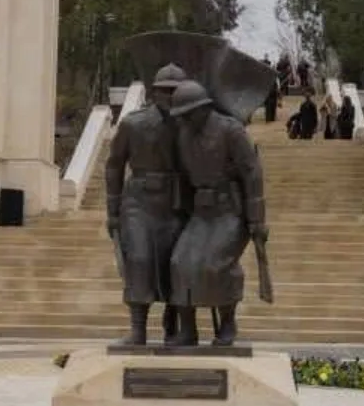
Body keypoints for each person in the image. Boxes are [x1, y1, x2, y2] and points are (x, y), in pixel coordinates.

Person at [167, 80, 267, 347]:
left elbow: (252, 172)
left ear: (203, 108)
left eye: (188, 113)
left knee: (215, 264)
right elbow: (184, 177)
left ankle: (227, 322)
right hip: (201, 213)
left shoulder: (230, 130)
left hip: (230, 211)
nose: (185, 120)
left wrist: (256, 218)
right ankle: (188, 330)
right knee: (179, 263)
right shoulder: (184, 135)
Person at [105, 63, 188, 346]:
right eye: (165, 91)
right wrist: (112, 209)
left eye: (176, 92)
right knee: (139, 260)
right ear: (154, 92)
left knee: (174, 265)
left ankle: (172, 325)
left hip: (176, 202)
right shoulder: (133, 123)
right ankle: (137, 328)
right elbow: (114, 165)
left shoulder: (191, 125)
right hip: (138, 202)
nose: (170, 97)